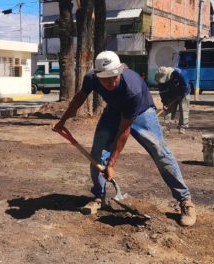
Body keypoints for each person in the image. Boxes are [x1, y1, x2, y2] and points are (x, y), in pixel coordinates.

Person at [52, 51, 196, 227]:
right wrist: (63, 120)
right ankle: (99, 196)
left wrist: (111, 164)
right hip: (114, 110)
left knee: (160, 152)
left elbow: (124, 131)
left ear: (119, 71)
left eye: (114, 77)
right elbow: (79, 98)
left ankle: (185, 201)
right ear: (97, 75)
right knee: (97, 153)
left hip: (142, 111)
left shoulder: (132, 88)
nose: (111, 82)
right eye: (105, 79)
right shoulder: (91, 78)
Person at [155, 66, 191, 134]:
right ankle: (167, 126)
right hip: (171, 94)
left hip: (183, 93)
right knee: (168, 109)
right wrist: (165, 102)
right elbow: (162, 92)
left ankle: (182, 127)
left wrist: (180, 95)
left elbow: (186, 87)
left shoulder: (180, 73)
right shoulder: (160, 79)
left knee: (183, 109)